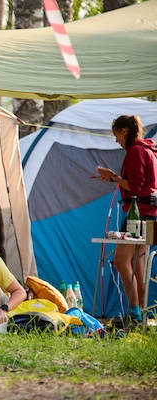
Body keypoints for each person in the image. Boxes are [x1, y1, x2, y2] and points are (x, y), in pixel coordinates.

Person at [96, 115, 157, 323]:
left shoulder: (136, 151)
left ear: (124, 131)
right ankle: (142, 314)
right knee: (138, 265)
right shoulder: (148, 150)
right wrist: (115, 178)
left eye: (117, 135)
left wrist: (113, 177)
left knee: (121, 261)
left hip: (137, 215)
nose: (116, 140)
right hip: (150, 214)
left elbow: (136, 187)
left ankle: (134, 314)